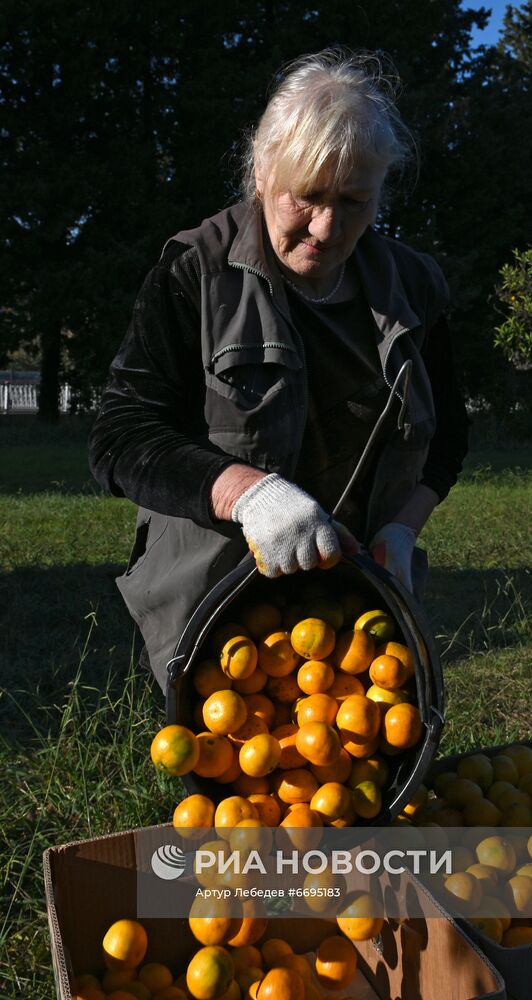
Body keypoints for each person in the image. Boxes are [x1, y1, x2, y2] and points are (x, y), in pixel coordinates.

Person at [88, 49, 469, 692]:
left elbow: (449, 437)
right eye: (309, 197)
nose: (327, 227)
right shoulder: (196, 272)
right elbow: (121, 438)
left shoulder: (415, 288)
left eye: (354, 200)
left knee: (366, 770)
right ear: (261, 172)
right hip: (224, 609)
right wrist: (247, 492)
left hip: (358, 612)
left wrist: (404, 528)